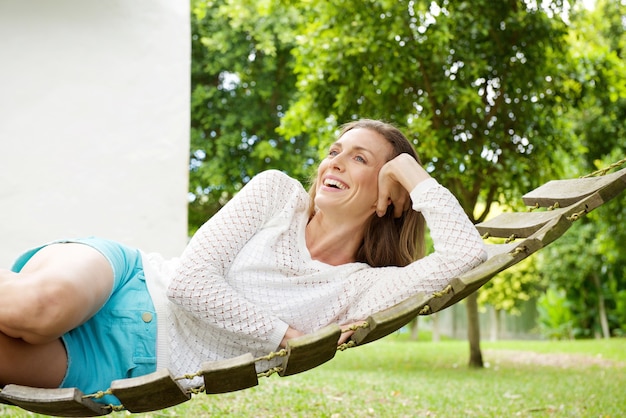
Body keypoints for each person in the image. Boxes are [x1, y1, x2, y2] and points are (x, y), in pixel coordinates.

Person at [0, 119, 487, 403]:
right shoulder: (278, 193)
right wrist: (288, 337)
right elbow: (189, 282)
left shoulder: (363, 288)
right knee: (35, 312)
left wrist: (409, 171)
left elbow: (468, 255)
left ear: (389, 195)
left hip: (135, 364)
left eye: (360, 159)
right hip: (126, 280)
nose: (334, 162)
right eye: (335, 150)